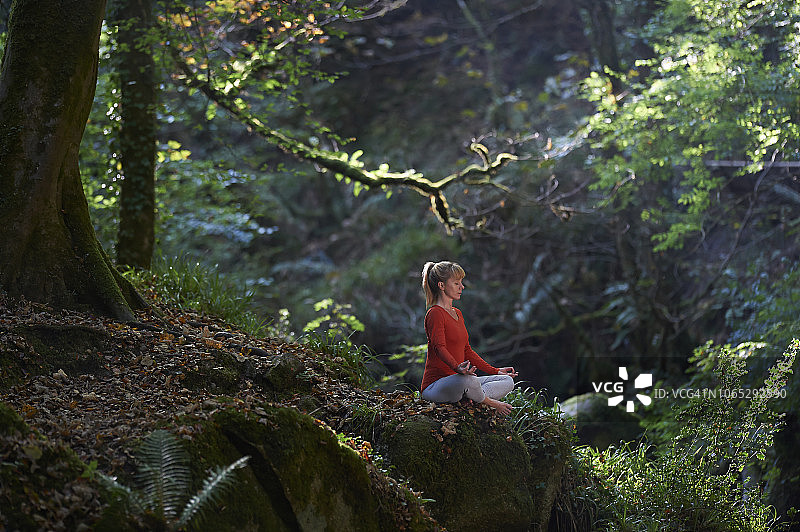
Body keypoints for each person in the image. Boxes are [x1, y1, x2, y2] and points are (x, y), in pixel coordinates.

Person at [420, 261, 518, 415]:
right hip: (435, 387)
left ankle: (470, 398)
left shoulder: (457, 313)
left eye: (461, 282)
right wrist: (456, 368)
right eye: (456, 283)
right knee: (468, 380)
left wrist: (496, 371)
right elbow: (439, 348)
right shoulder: (435, 313)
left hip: (459, 382)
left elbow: (467, 351)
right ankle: (489, 402)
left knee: (508, 381)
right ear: (441, 285)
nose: (462, 287)